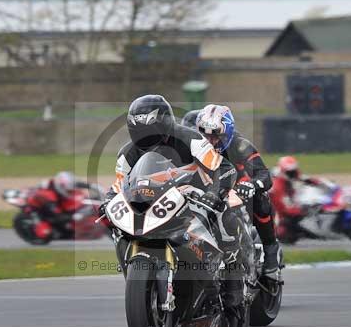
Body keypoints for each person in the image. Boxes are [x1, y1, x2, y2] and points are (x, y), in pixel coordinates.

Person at [103, 94, 250, 305]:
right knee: (118, 227)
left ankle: (234, 278)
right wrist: (109, 200)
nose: (146, 140)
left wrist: (213, 194)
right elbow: (120, 184)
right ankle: (139, 276)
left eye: (151, 133)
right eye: (139, 133)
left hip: (197, 194)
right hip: (156, 200)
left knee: (225, 210)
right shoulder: (127, 153)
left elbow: (222, 168)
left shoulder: (191, 139)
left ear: (165, 124)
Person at [195, 104, 281, 277]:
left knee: (261, 198)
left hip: (237, 190)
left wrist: (252, 185)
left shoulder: (240, 145)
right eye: (205, 135)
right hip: (205, 192)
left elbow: (264, 174)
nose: (210, 141)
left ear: (227, 133)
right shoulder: (194, 146)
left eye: (216, 135)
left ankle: (270, 250)